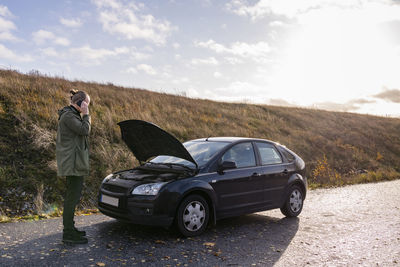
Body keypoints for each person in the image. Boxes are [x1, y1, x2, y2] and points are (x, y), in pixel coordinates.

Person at [56, 89, 91, 244]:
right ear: (80, 103)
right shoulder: (69, 116)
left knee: (73, 197)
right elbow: (85, 130)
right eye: (87, 103)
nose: (88, 106)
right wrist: (87, 113)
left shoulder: (71, 115)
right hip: (72, 163)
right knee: (72, 198)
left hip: (74, 162)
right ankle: (68, 233)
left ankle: (70, 229)